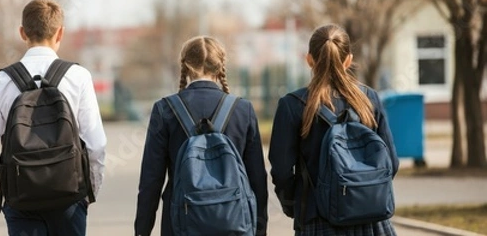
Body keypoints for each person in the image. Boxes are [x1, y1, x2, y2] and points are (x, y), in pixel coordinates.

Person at [0, 0, 107, 236]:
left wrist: (10, 188)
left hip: (22, 203)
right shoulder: (79, 77)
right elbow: (96, 146)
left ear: (22, 32)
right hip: (69, 200)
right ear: (60, 33)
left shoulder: (1, 81)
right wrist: (87, 192)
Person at [268, 24, 399, 235]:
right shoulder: (369, 99)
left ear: (309, 59)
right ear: (348, 60)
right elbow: (391, 163)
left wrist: (297, 204)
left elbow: (282, 172)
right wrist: (362, 193)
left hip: (316, 218)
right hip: (369, 221)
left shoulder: (292, 105)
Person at [134, 36, 268, 236]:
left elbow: (150, 181)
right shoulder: (243, 110)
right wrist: (260, 228)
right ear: (220, 66)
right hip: (234, 224)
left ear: (185, 65)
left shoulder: (164, 110)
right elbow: (257, 179)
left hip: (180, 225)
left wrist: (142, 231)